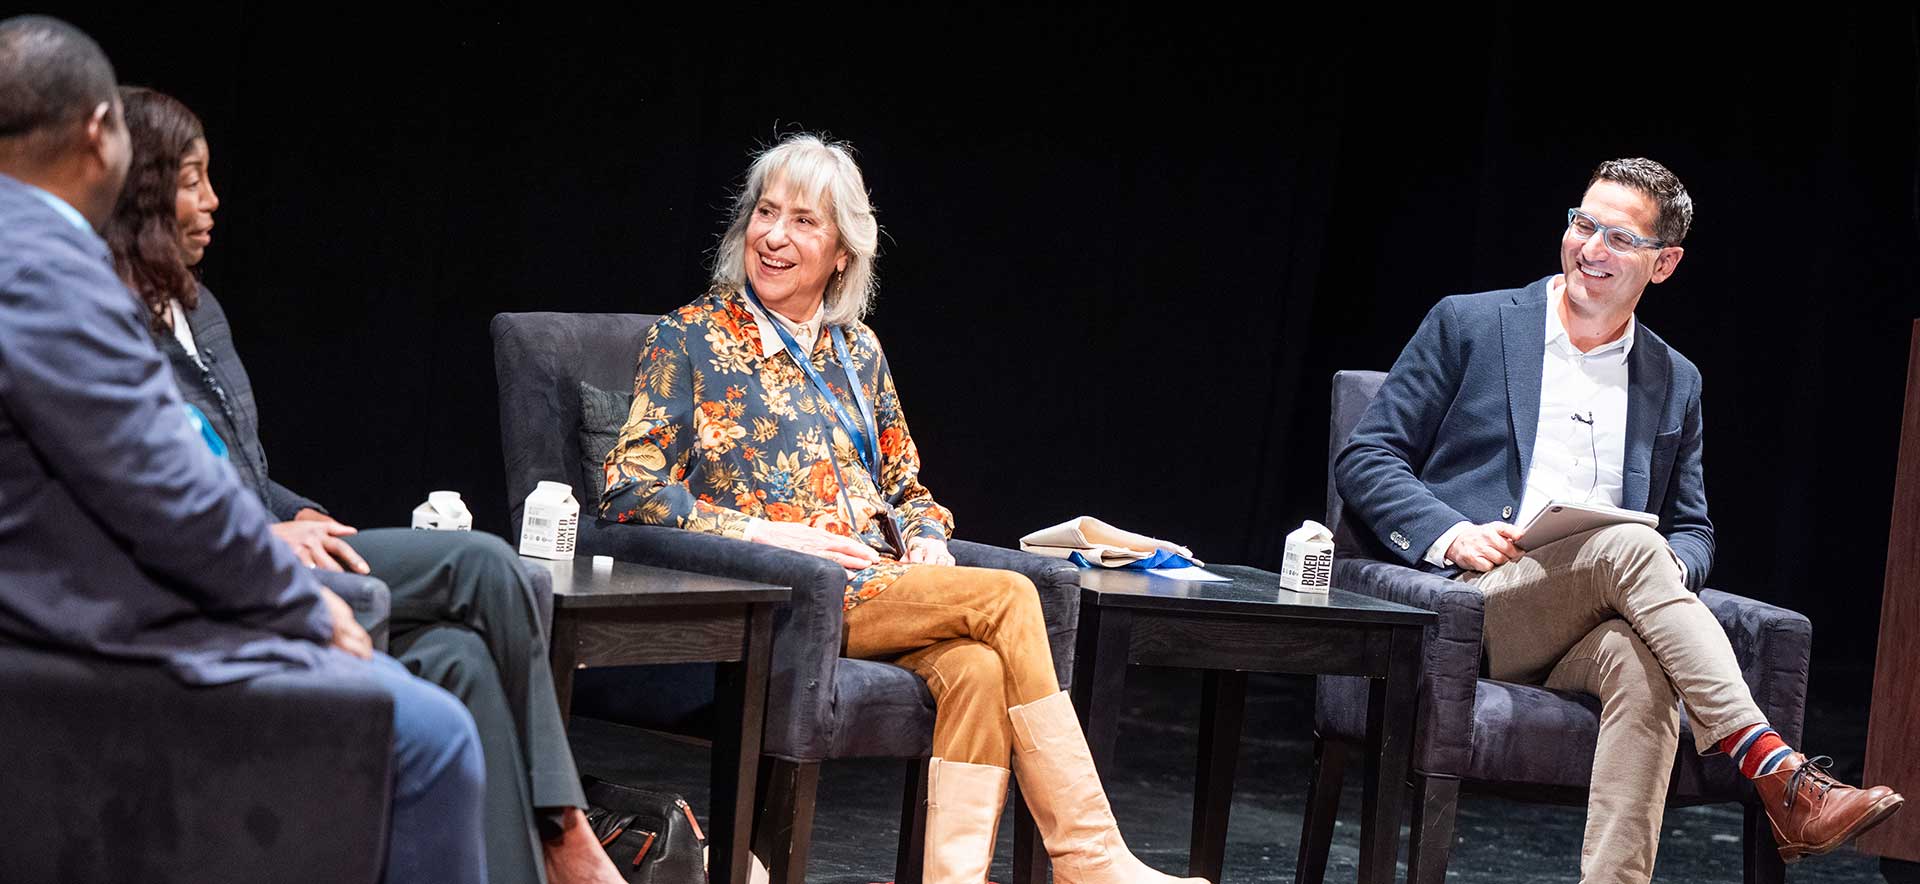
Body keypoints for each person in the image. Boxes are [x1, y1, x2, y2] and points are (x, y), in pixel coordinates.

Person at [600, 133, 1202, 884]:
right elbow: (628, 491)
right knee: (1012, 596)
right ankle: (1091, 859)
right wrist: (776, 535)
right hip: (786, 594)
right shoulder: (688, 340)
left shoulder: (859, 354)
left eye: (804, 221)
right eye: (765, 212)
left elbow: (909, 487)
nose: (776, 236)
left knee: (978, 669)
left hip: (883, 584)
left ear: (843, 253)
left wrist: (924, 539)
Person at [0, 16, 487, 884]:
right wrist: (302, 607)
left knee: (447, 652)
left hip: (60, 614)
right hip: (80, 647)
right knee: (432, 737)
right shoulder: (51, 270)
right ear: (97, 134)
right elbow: (172, 496)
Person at [102, 85, 624, 884]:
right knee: (485, 565)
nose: (212, 200)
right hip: (228, 566)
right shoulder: (103, 322)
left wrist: (297, 510)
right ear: (142, 189)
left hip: (280, 540)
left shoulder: (199, 309)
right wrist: (266, 533)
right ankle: (565, 832)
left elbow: (249, 468)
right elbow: (134, 489)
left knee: (459, 659)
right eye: (191, 179)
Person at [1334, 158, 1903, 881]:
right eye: (1583, 224)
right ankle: (1778, 773)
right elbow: (1369, 457)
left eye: (1619, 238)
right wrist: (1453, 532)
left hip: (1599, 617)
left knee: (1646, 668)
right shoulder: (1469, 324)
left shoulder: (1675, 378)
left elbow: (1694, 530)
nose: (1592, 249)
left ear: (1664, 264)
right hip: (1480, 604)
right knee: (1631, 542)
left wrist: (1666, 566)